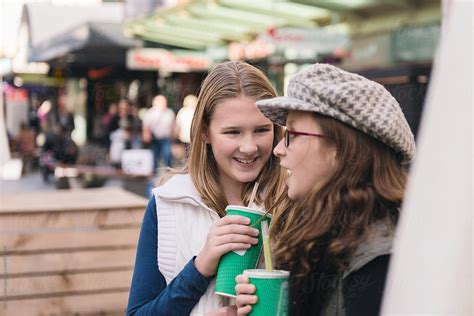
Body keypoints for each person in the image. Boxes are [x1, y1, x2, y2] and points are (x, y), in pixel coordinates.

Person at [235, 63, 416, 316]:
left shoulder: (380, 259)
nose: (278, 150)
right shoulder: (314, 231)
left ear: (339, 150)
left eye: (293, 135)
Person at [126, 61, 286, 315]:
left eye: (261, 130)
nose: (249, 146)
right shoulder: (169, 203)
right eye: (233, 132)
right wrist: (200, 267)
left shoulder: (292, 200)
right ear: (204, 133)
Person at [142, 95, 176, 170]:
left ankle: (169, 173)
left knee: (167, 156)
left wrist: (174, 139)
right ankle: (154, 175)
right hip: (154, 139)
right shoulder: (150, 113)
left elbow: (173, 126)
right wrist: (146, 136)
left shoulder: (169, 113)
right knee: (154, 158)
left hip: (166, 139)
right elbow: (146, 127)